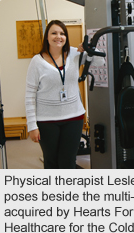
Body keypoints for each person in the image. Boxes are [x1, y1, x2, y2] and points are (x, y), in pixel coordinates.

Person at [25, 20, 104, 169]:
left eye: (62, 33)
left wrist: (89, 49)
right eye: (54, 33)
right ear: (47, 37)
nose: (58, 37)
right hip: (46, 121)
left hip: (74, 118)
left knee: (68, 162)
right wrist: (32, 126)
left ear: (66, 37)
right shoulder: (37, 62)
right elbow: (29, 95)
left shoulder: (75, 53)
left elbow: (99, 62)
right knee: (52, 162)